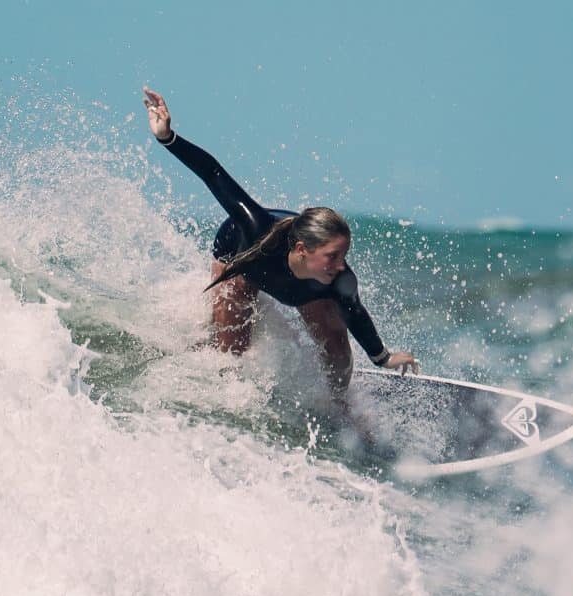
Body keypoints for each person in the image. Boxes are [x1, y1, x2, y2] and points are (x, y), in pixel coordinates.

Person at [143, 86, 418, 392]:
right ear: (302, 249)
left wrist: (383, 358)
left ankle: (339, 409)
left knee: (337, 346)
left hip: (299, 275)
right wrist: (167, 137)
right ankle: (223, 385)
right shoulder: (254, 227)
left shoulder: (338, 279)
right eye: (333, 256)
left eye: (343, 256)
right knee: (232, 333)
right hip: (238, 254)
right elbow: (213, 173)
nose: (341, 266)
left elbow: (356, 315)